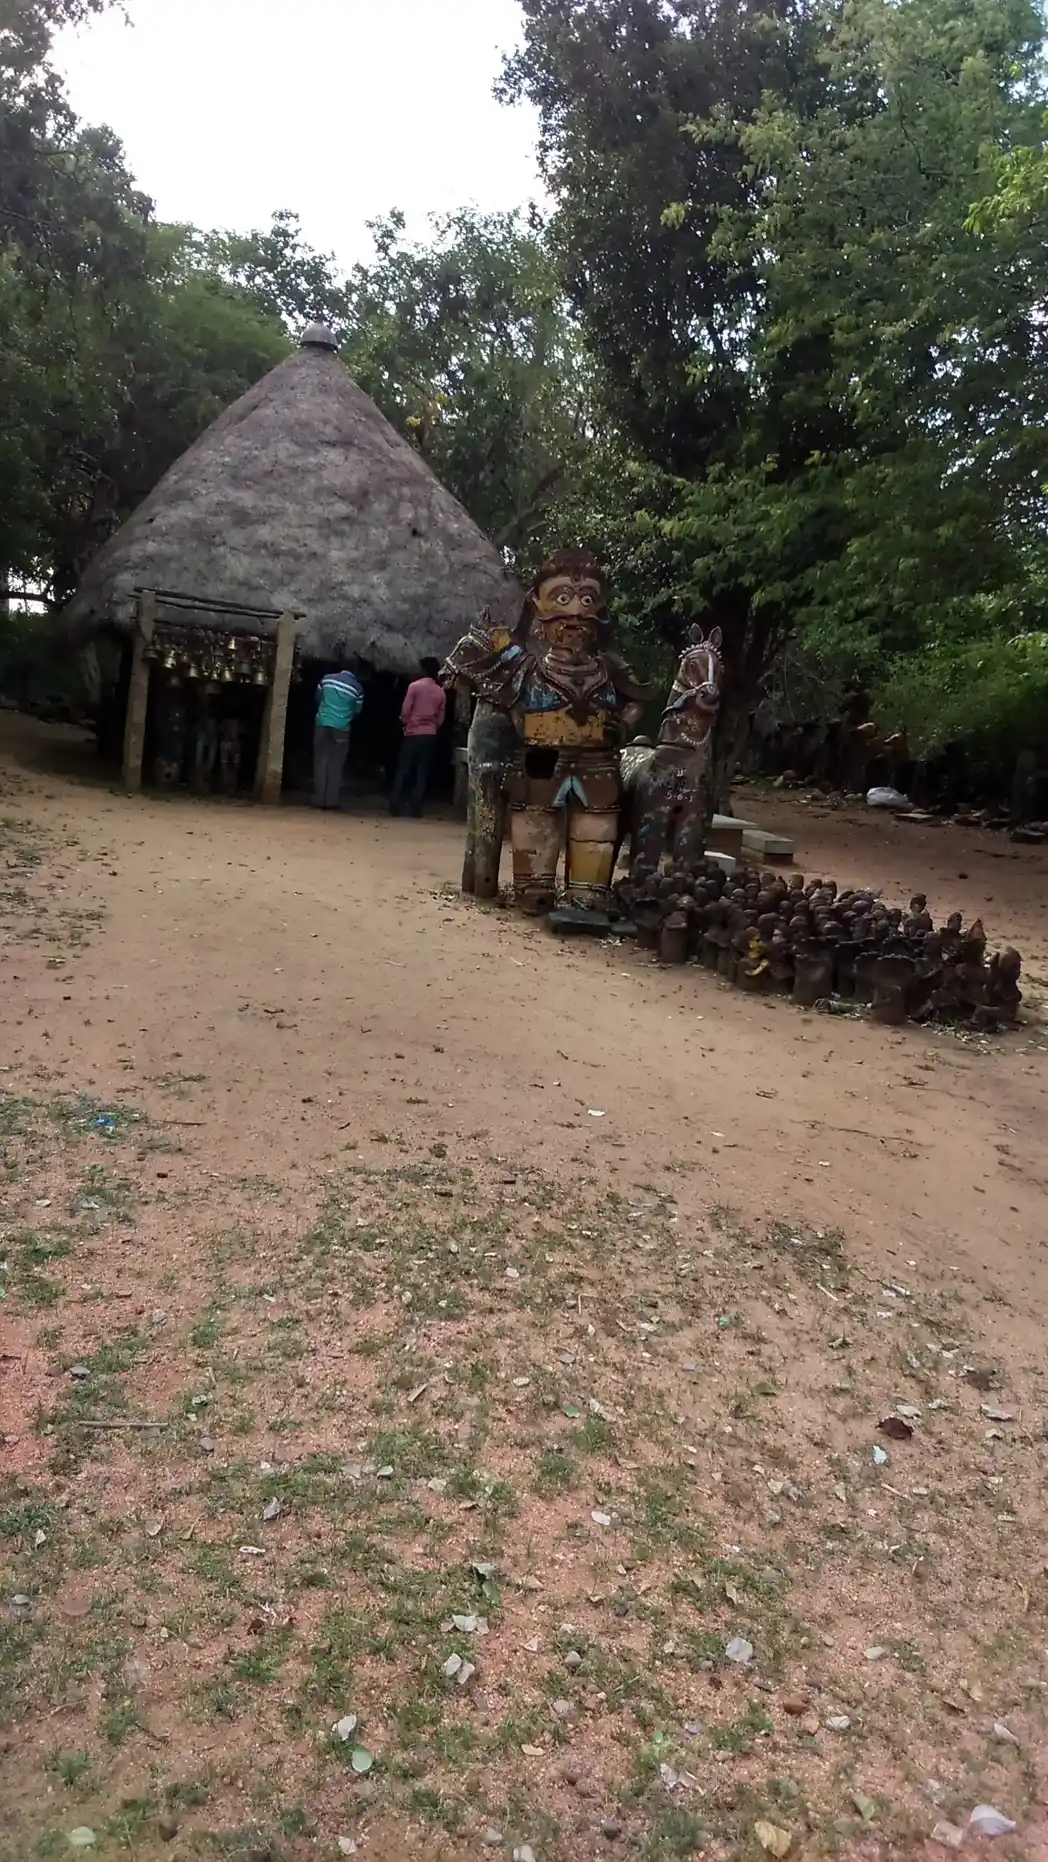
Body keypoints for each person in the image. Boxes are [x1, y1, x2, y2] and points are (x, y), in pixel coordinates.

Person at [391, 656, 446, 817]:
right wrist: (433, 726)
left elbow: (406, 710)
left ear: (423, 670)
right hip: (429, 735)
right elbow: (440, 718)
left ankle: (396, 804)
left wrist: (405, 723)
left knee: (404, 769)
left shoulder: (414, 687)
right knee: (422, 771)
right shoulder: (440, 692)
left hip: (413, 733)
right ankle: (416, 806)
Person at [313, 661, 364, 809]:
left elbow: (318, 698)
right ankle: (331, 801)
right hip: (342, 728)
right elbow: (357, 711)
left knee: (321, 761)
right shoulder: (358, 688)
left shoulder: (326, 679)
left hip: (322, 722)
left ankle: (319, 799)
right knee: (336, 764)